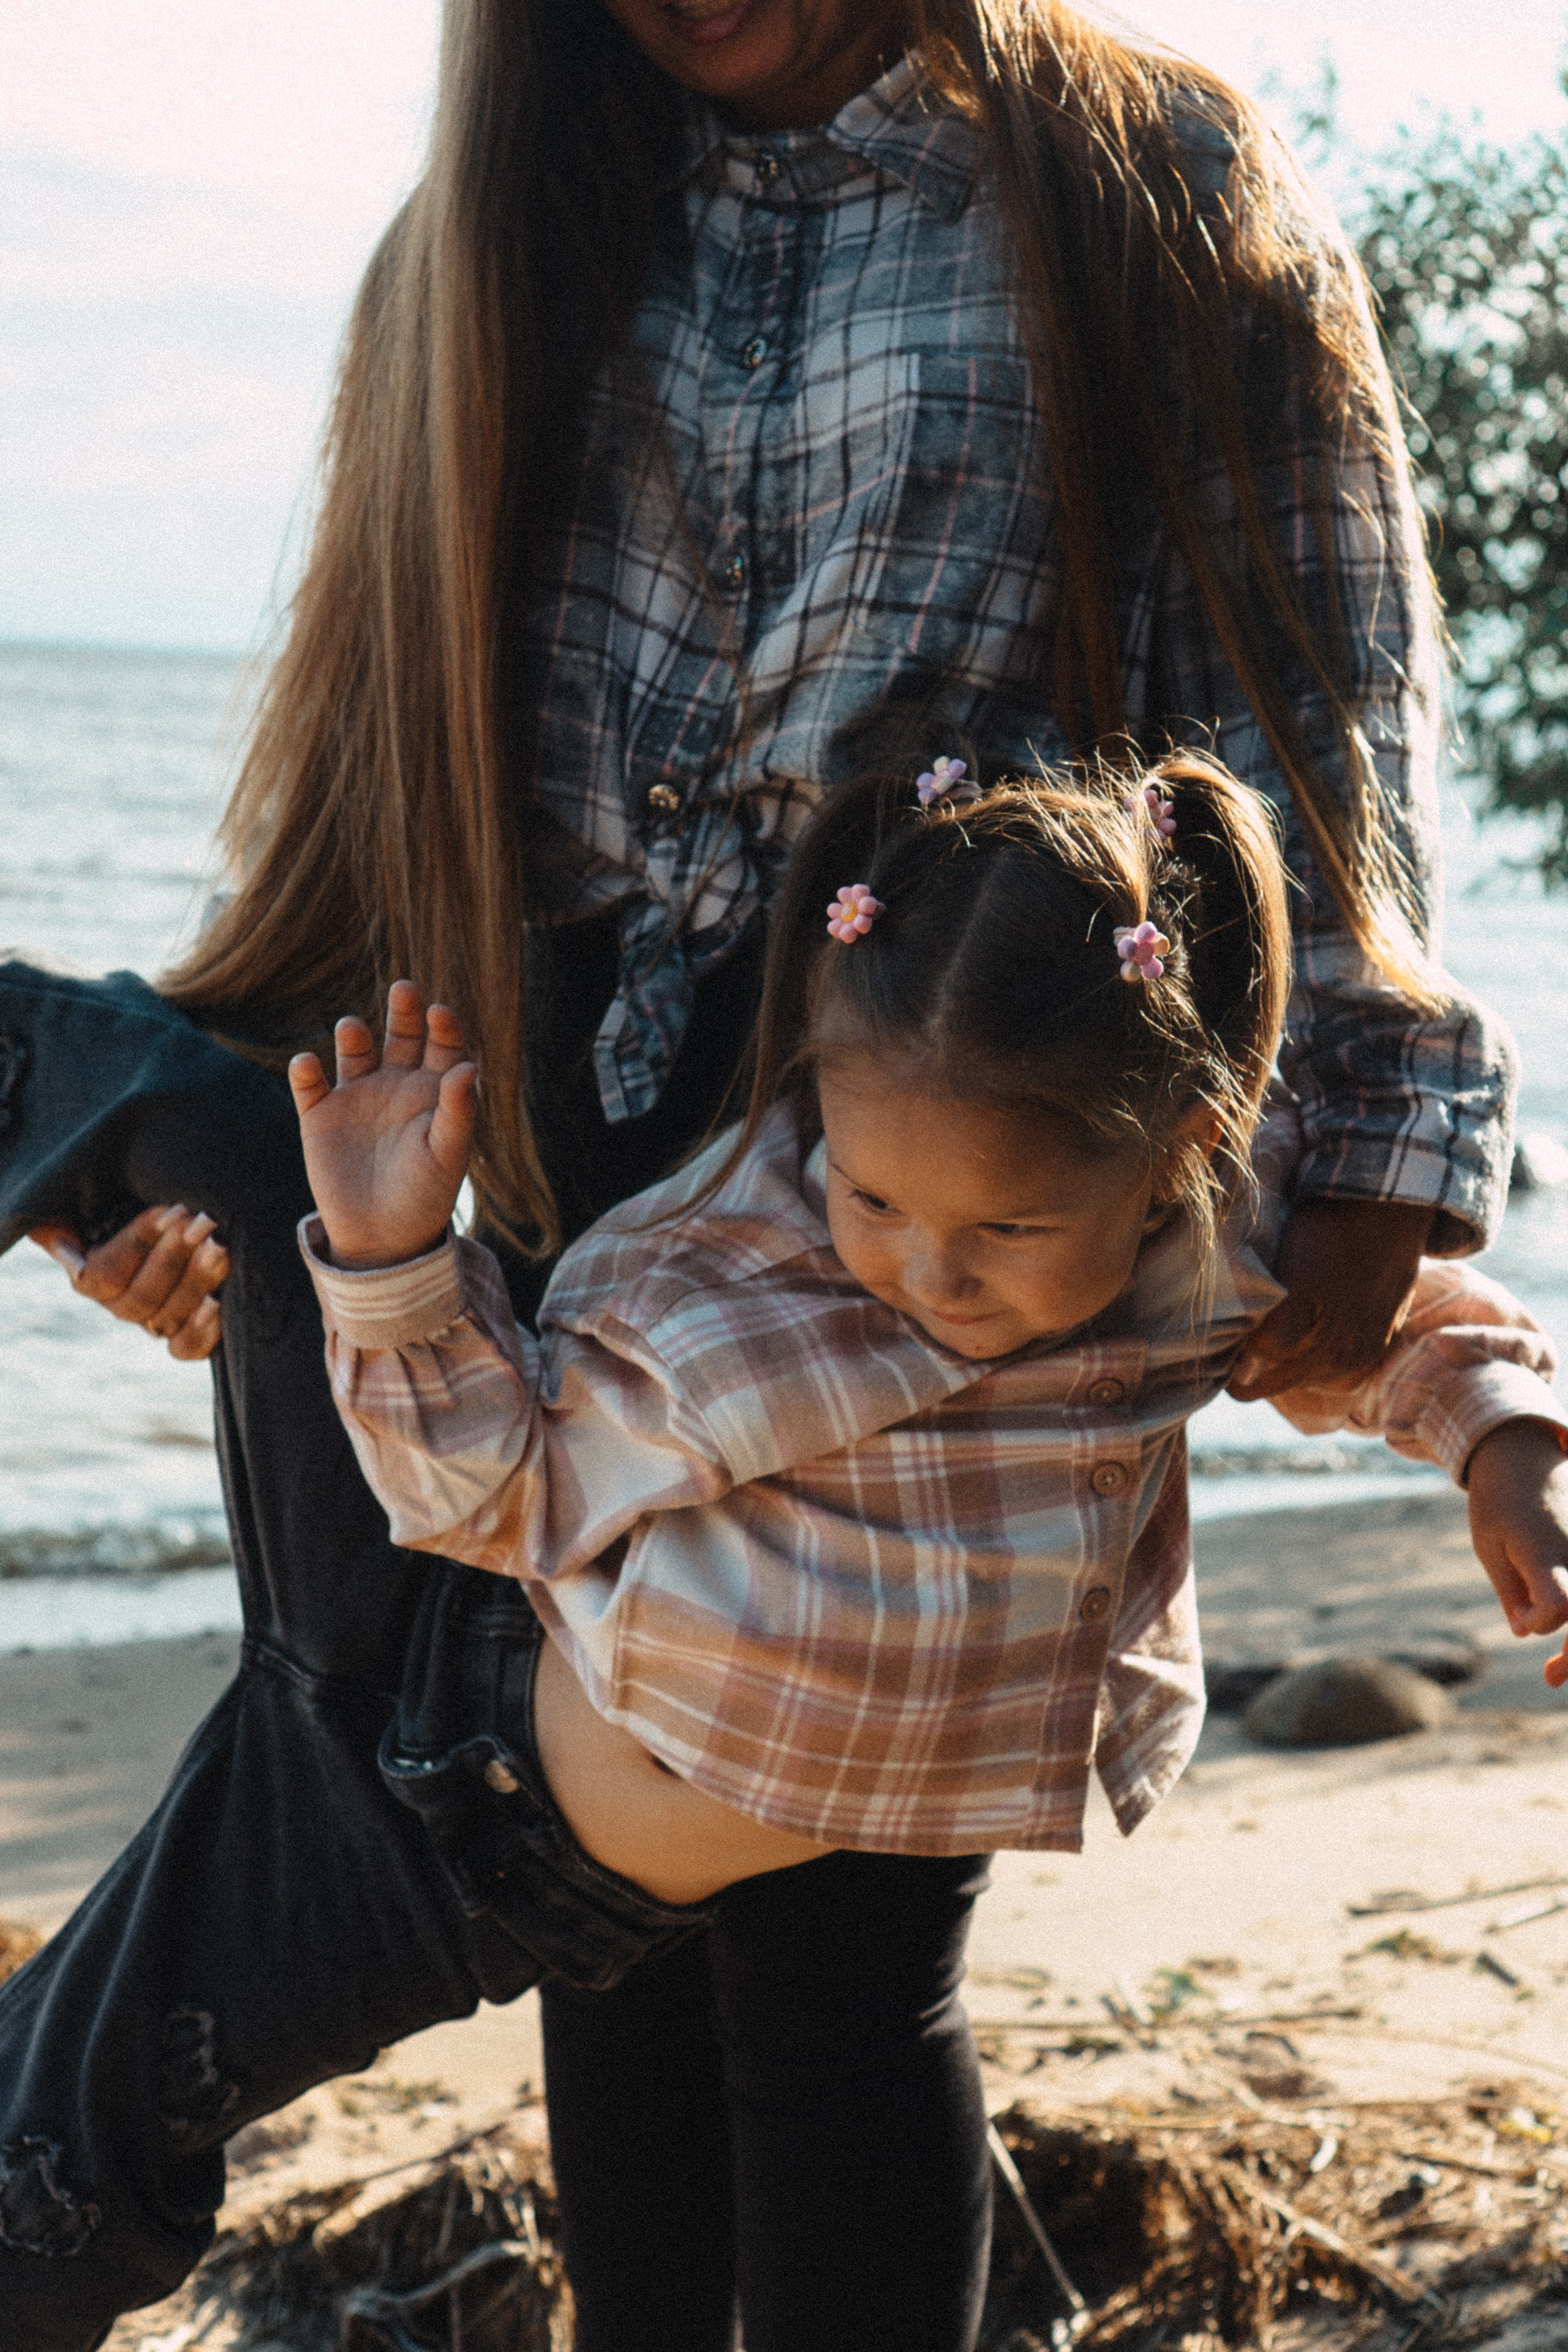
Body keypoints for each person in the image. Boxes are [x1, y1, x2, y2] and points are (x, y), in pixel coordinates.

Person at [0, 1, 1525, 2343]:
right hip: (559, 1127)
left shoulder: (1140, 180)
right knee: (622, 1975)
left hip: (934, 1111)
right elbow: (396, 771)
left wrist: (1369, 1146)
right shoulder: (494, 225)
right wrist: (260, 1197)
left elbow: (1315, 690)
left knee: (833, 1970)